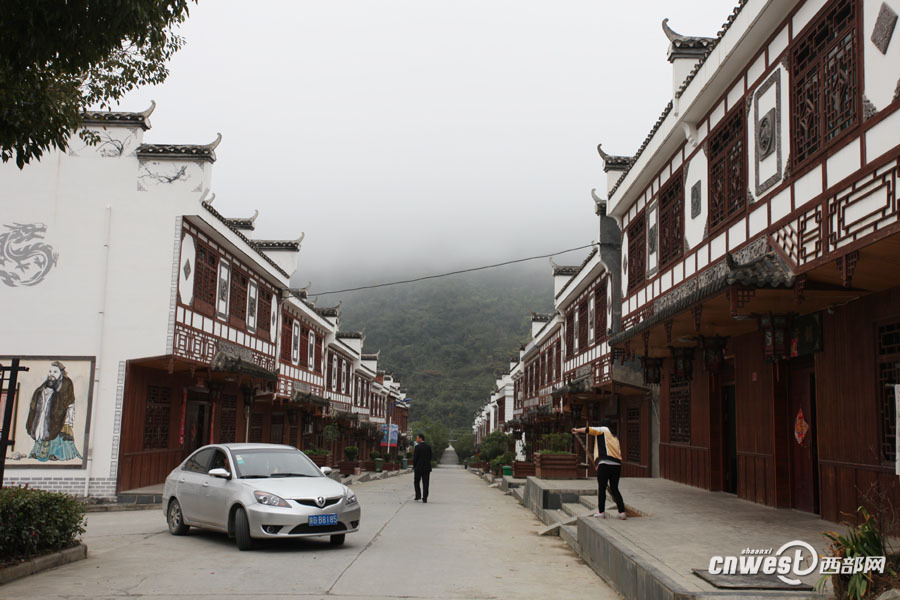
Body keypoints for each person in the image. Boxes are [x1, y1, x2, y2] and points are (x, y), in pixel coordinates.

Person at [25, 361, 81, 462]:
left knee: (59, 435)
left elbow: (69, 400)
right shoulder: (48, 382)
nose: (51, 374)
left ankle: (56, 454)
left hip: (61, 414)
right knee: (43, 430)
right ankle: (38, 452)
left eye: (55, 372)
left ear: (61, 373)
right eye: (50, 371)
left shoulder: (67, 383)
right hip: (46, 414)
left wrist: (67, 417)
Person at [572, 419, 626, 520]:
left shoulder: (603, 429)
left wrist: (577, 430)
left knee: (602, 488)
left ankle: (601, 512)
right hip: (617, 465)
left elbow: (589, 430)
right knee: (614, 489)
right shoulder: (615, 437)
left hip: (605, 464)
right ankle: (622, 512)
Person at [412, 432, 432, 503]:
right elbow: (430, 457)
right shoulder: (428, 447)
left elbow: (415, 458)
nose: (416, 439)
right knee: (426, 483)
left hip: (418, 468)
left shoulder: (417, 447)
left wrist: (414, 466)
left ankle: (418, 496)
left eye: (417, 438)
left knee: (416, 481)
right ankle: (425, 498)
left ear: (420, 438)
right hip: (427, 468)